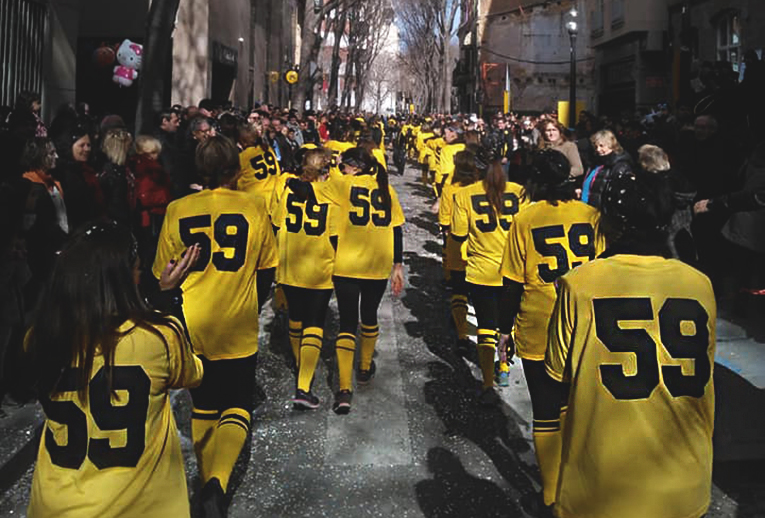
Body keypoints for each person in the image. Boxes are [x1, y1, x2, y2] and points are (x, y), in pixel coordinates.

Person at [544, 172, 716, 518]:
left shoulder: (579, 284)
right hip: (685, 476)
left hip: (603, 483)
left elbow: (556, 377)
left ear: (607, 222)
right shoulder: (699, 284)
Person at [24, 222, 203, 517]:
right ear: (119, 280)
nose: (140, 275)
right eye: (136, 269)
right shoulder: (159, 336)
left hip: (55, 505)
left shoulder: (40, 336)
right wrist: (168, 297)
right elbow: (192, 374)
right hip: (136, 506)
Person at [153, 135, 278, 516]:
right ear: (235, 170)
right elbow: (267, 270)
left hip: (191, 319)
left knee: (203, 404)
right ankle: (217, 484)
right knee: (237, 403)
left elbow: (163, 273)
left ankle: (208, 481)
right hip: (236, 319)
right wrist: (250, 301)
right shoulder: (254, 206)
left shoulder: (178, 208)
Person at [499, 149, 604, 508]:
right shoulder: (591, 215)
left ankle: (551, 493)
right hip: (586, 318)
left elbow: (512, 283)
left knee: (545, 408)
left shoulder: (525, 219)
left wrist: (502, 330)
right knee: (579, 406)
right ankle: (581, 481)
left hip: (542, 318)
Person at [287, 147, 405, 414]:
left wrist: (290, 179)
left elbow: (306, 190)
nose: (339, 170)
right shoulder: (386, 188)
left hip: (347, 264)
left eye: (343, 166)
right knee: (370, 316)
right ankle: (363, 368)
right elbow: (397, 229)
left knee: (347, 324)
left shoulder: (341, 185)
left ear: (354, 167)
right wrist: (398, 264)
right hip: (377, 263)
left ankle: (343, 390)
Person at [450, 159, 527, 406]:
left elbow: (458, 234)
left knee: (485, 326)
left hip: (482, 269)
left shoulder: (464, 194)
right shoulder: (519, 191)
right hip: (513, 269)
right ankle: (503, 367)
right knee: (508, 324)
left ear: (477, 169)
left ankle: (486, 383)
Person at [272, 149, 336, 409]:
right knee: (314, 322)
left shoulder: (288, 190)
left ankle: (301, 365)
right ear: (324, 170)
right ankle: (304, 385)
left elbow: (276, 223)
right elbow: (336, 234)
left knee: (295, 319)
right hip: (319, 264)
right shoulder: (330, 194)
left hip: (290, 264)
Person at [438, 147, 481, 355]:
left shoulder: (449, 189)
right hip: (482, 244)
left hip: (457, 243)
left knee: (459, 290)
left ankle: (462, 334)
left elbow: (445, 221)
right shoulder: (482, 189)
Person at [580, 129, 633, 208]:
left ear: (611, 145)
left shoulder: (620, 166)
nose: (598, 149)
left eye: (601, 146)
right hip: (586, 207)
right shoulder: (595, 162)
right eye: (596, 146)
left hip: (601, 211)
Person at [98, 128, 134, 227]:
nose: (131, 150)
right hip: (118, 223)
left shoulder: (124, 169)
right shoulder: (110, 175)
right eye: (128, 146)